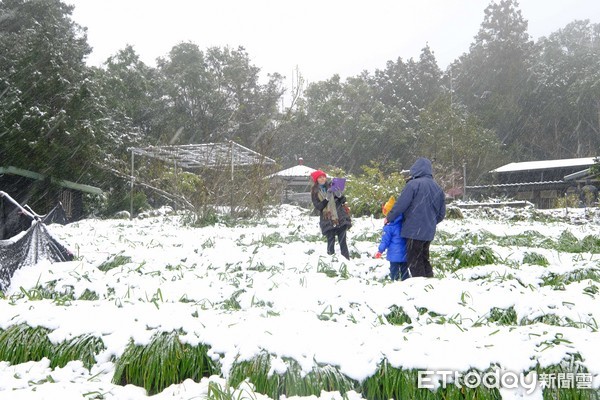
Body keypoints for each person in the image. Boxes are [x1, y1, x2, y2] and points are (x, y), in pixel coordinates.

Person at [385, 158, 445, 278]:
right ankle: (431, 285)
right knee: (424, 258)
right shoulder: (437, 188)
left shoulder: (412, 185)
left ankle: (420, 288)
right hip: (428, 231)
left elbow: (401, 205)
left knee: (414, 261)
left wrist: (390, 217)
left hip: (413, 231)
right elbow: (441, 214)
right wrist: (430, 222)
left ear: (415, 169)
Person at [310, 170, 351, 259]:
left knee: (343, 242)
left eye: (323, 176)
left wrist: (339, 195)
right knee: (330, 242)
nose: (322, 179)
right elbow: (319, 207)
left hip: (340, 217)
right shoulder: (315, 192)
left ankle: (347, 261)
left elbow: (343, 201)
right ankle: (331, 262)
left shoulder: (332, 186)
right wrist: (326, 199)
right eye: (320, 177)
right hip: (327, 219)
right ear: (316, 180)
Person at [375, 196, 409, 281]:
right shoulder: (403, 222)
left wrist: (380, 250)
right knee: (405, 271)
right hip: (405, 253)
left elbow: (385, 240)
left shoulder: (389, 227)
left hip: (394, 255)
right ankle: (407, 284)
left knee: (394, 272)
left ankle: (394, 282)